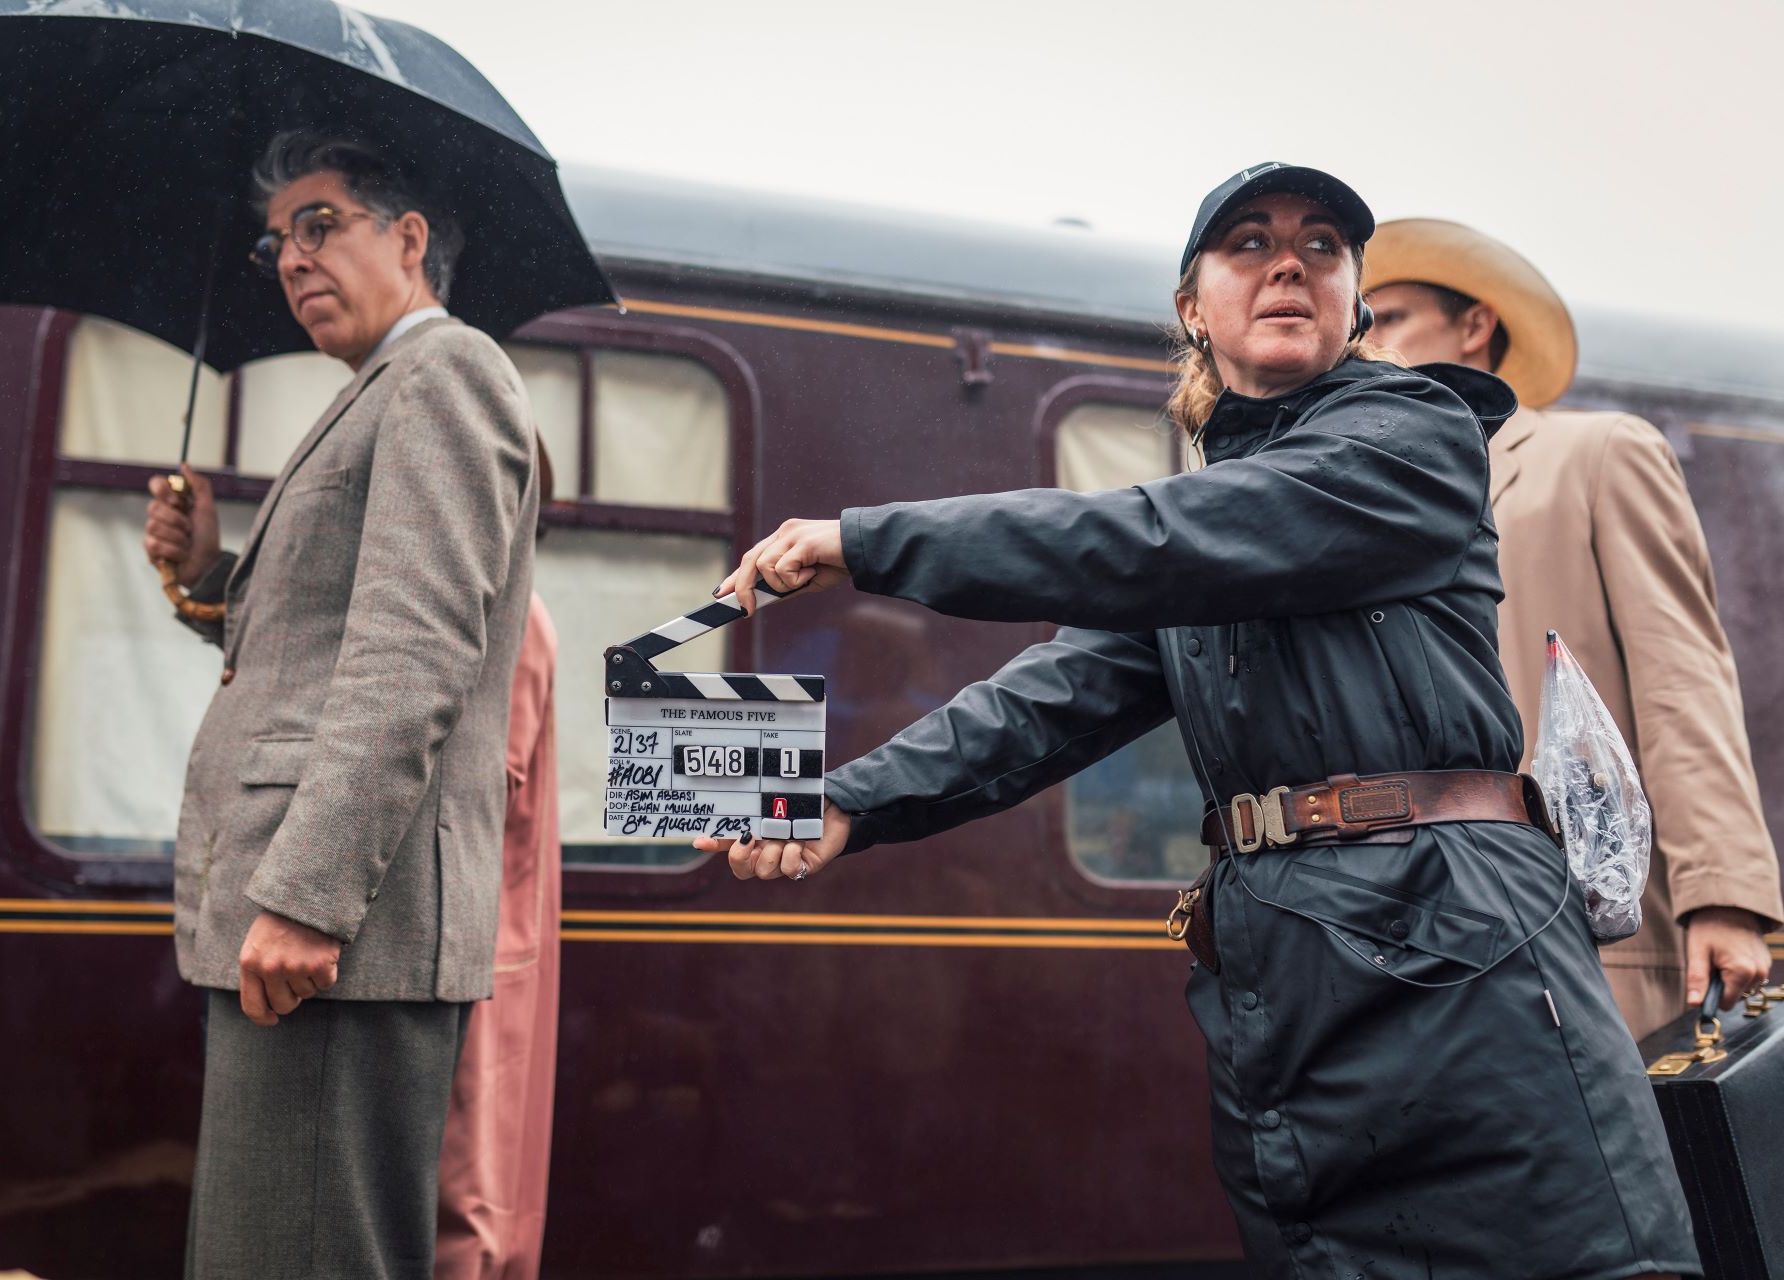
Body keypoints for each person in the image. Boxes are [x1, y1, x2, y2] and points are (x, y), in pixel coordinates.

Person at [696, 164, 1700, 1278]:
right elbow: (1052, 696)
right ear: (1192, 307)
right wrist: (843, 799)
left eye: (1322, 245)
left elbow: (1162, 537)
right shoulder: (1218, 519)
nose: (1289, 261)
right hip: (1285, 981)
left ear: (1356, 304)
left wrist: (868, 539)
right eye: (1249, 243)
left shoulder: (1409, 434)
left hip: (1458, 964)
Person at [142, 131, 538, 1278]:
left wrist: (310, 895)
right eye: (278, 241)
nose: (291, 258)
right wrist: (210, 574)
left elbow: (415, 650)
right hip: (319, 929)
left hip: (338, 931)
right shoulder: (386, 390)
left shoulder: (442, 373)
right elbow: (325, 643)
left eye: (321, 224)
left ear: (408, 239)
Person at [1363, 218, 1782, 1037]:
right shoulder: (1373, 503)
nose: (1371, 345)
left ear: (1476, 325)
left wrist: (1723, 895)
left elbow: (1681, 679)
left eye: (1393, 318)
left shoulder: (1596, 455)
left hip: (1598, 933)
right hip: (1434, 950)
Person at [434, 442, 562, 1280]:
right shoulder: (499, 609)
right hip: (478, 930)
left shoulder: (501, 616)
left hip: (472, 934)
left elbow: (479, 787)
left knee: (463, 1186)